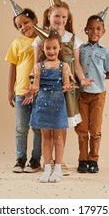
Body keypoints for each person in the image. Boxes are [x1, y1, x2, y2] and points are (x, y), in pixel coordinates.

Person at [32, 0, 92, 175]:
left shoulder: (72, 39)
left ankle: (60, 161)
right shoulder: (40, 38)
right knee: (46, 125)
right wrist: (33, 86)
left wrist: (82, 78)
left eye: (64, 17)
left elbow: (77, 65)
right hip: (46, 89)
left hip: (67, 89)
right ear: (49, 16)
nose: (60, 20)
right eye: (57, 16)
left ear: (68, 19)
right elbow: (36, 66)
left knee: (61, 124)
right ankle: (47, 161)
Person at [26, 31, 78, 182]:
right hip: (42, 104)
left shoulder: (64, 66)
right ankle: (47, 168)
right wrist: (31, 90)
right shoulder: (38, 66)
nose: (51, 51)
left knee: (58, 137)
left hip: (57, 104)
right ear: (43, 49)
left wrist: (68, 87)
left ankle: (58, 169)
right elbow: (35, 86)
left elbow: (66, 84)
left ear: (60, 48)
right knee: (45, 137)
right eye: (48, 48)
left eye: (54, 48)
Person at [75, 13, 109, 173]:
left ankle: (94, 160)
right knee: (82, 128)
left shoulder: (106, 52)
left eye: (98, 28)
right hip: (82, 94)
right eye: (91, 28)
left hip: (98, 95)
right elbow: (76, 66)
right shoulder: (80, 50)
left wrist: (98, 77)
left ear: (103, 31)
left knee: (95, 129)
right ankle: (83, 159)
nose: (94, 31)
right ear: (85, 30)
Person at [5, 0, 41, 173]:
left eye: (26, 22)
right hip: (21, 91)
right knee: (21, 127)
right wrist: (10, 90)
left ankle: (35, 160)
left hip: (39, 92)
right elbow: (12, 66)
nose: (24, 27)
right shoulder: (17, 43)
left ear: (34, 20)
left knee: (38, 127)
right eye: (19, 26)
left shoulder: (43, 40)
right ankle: (20, 159)